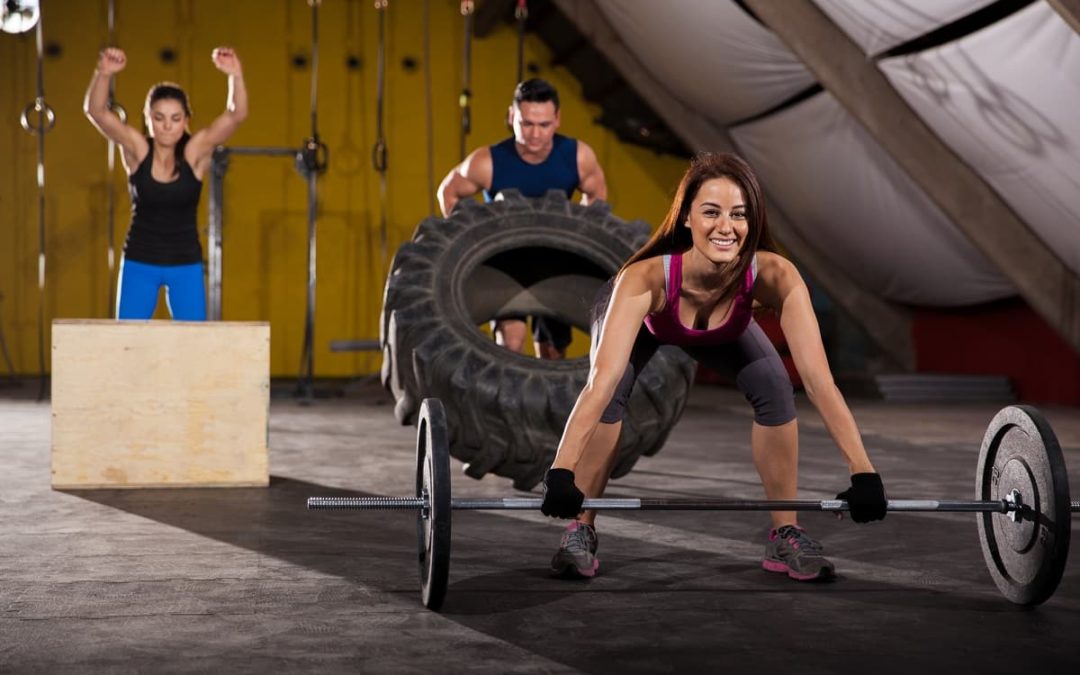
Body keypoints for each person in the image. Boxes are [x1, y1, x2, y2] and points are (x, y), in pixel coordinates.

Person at [539, 153, 887, 581]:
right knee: (611, 394)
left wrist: (863, 471)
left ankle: (786, 533)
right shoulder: (644, 279)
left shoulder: (776, 275)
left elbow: (819, 382)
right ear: (686, 217)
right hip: (649, 320)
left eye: (738, 214)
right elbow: (599, 382)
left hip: (724, 327)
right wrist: (561, 471)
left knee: (776, 388)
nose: (726, 226)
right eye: (711, 212)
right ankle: (581, 529)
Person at [437, 78, 607, 359]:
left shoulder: (578, 156)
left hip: (554, 263)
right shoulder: (488, 161)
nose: (536, 134)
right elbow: (448, 193)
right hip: (506, 265)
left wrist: (575, 239)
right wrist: (475, 240)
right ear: (511, 116)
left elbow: (596, 199)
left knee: (552, 353)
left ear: (557, 120)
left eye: (544, 125)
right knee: (511, 346)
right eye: (526, 123)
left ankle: (549, 403)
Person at [84, 46, 248, 320]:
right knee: (127, 343)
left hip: (185, 263)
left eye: (175, 118)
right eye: (159, 118)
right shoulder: (137, 150)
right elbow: (97, 112)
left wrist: (236, 75)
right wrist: (103, 73)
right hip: (139, 261)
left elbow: (236, 115)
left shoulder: (195, 152)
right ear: (148, 120)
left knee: (193, 345)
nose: (167, 126)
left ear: (186, 120)